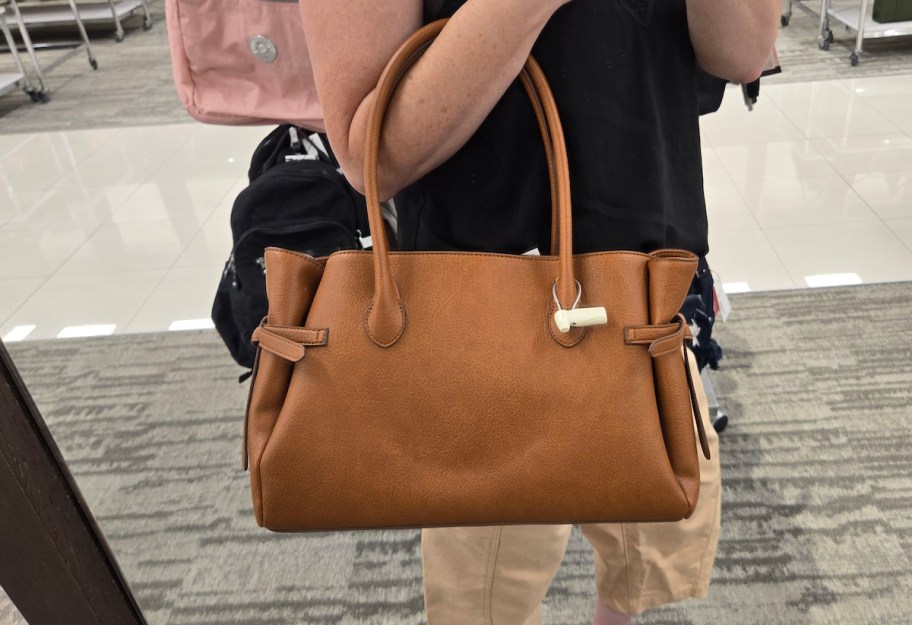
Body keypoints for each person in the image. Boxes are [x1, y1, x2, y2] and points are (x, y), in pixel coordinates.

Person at [300, 0, 778, 623]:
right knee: (487, 580)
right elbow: (373, 156)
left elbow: (740, 53)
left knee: (653, 531)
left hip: (648, 272)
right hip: (482, 305)